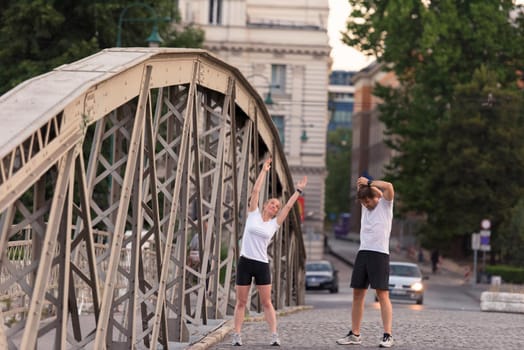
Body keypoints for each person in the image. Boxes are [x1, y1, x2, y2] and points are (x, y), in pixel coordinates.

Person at [231, 157, 307, 347]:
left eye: (276, 207)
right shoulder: (253, 215)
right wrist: (264, 170)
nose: (274, 207)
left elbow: (289, 207)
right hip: (245, 262)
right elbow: (255, 191)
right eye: (272, 204)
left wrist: (298, 191)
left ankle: (274, 335)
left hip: (261, 264)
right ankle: (237, 335)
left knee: (267, 302)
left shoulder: (274, 224)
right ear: (265, 205)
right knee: (241, 302)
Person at [336, 176, 395, 348]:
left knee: (382, 294)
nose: (366, 205)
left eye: (368, 201)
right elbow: (363, 191)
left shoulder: (386, 205)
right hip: (363, 252)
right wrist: (363, 186)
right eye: (363, 202)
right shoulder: (365, 205)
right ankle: (355, 334)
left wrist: (369, 183)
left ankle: (387, 335)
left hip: (380, 254)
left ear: (376, 197)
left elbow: (388, 186)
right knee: (357, 295)